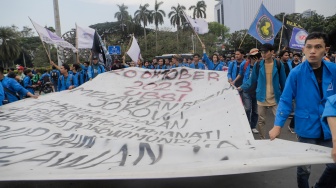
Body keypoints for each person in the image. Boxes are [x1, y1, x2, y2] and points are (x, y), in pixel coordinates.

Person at [269, 32, 336, 188]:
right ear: (304, 50)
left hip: (329, 127)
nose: (313, 51)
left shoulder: (333, 70)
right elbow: (286, 100)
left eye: (318, 47)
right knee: (304, 169)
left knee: (334, 165)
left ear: (325, 50)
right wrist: (278, 125)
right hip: (306, 128)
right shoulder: (296, 73)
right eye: (309, 47)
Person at [239, 43, 286, 139]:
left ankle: (276, 139)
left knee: (278, 120)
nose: (263, 54)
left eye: (265, 52)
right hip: (261, 96)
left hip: (275, 97)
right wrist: (241, 87)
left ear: (272, 52)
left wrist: (286, 96)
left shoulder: (278, 64)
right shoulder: (258, 65)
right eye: (262, 52)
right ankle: (262, 138)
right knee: (261, 120)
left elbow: (284, 82)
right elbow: (252, 80)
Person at [237, 48, 261, 134]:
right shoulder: (245, 64)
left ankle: (253, 126)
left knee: (256, 111)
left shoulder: (260, 65)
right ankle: (246, 125)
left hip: (257, 91)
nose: (255, 58)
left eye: (256, 56)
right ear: (250, 57)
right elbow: (240, 74)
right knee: (247, 109)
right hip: (246, 90)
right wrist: (235, 81)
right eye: (253, 56)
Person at [322, 94, 336, 163]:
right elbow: (332, 103)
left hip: (327, 132)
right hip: (307, 127)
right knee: (304, 168)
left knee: (332, 167)